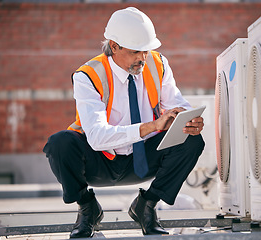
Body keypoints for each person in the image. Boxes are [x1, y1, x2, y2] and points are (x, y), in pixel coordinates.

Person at [43, 7, 205, 238]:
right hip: (100, 162)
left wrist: (189, 120)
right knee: (59, 143)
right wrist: (152, 126)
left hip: (144, 160)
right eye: (135, 52)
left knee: (192, 141)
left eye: (146, 51)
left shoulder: (157, 64)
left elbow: (176, 103)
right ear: (114, 46)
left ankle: (146, 206)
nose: (142, 58)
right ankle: (87, 208)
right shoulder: (88, 75)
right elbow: (98, 137)